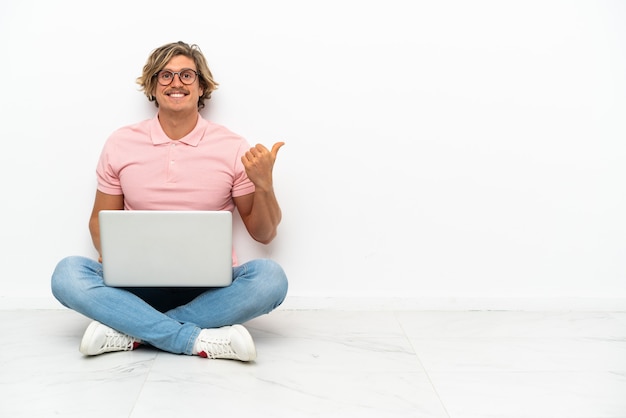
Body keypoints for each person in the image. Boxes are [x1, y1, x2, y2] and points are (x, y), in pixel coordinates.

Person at [51, 41, 288, 362]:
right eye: (165, 75)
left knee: (270, 279)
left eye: (187, 75)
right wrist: (122, 257)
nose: (176, 83)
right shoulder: (121, 142)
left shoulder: (232, 146)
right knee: (67, 274)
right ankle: (192, 337)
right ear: (152, 85)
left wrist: (264, 185)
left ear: (202, 86)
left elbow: (264, 234)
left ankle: (129, 330)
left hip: (210, 288)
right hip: (134, 287)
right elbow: (99, 220)